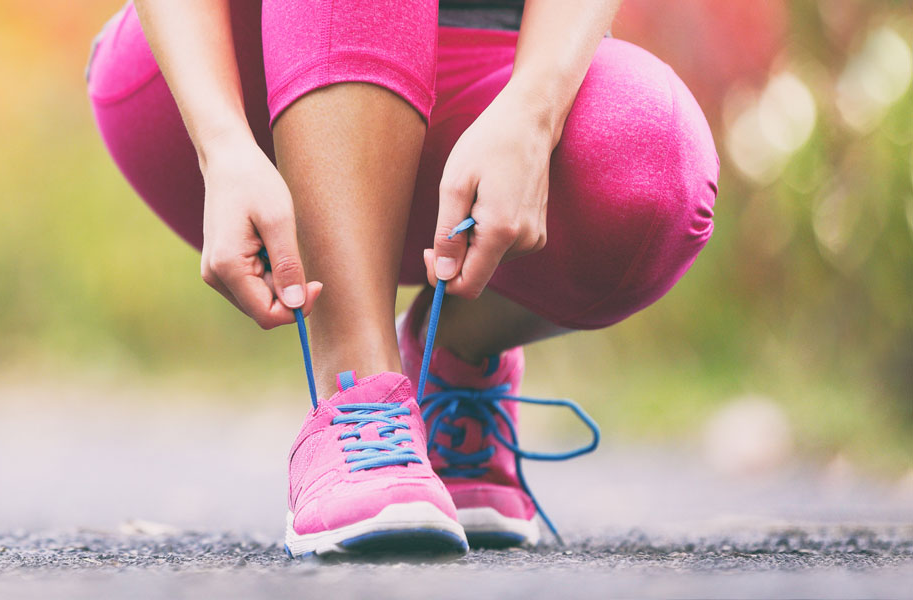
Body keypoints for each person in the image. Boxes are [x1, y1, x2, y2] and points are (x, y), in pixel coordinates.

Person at [87, 0, 717, 557]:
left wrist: (534, 113)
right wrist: (221, 143)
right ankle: (360, 397)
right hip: (235, 71)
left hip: (496, 65)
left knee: (658, 164)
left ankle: (454, 355)